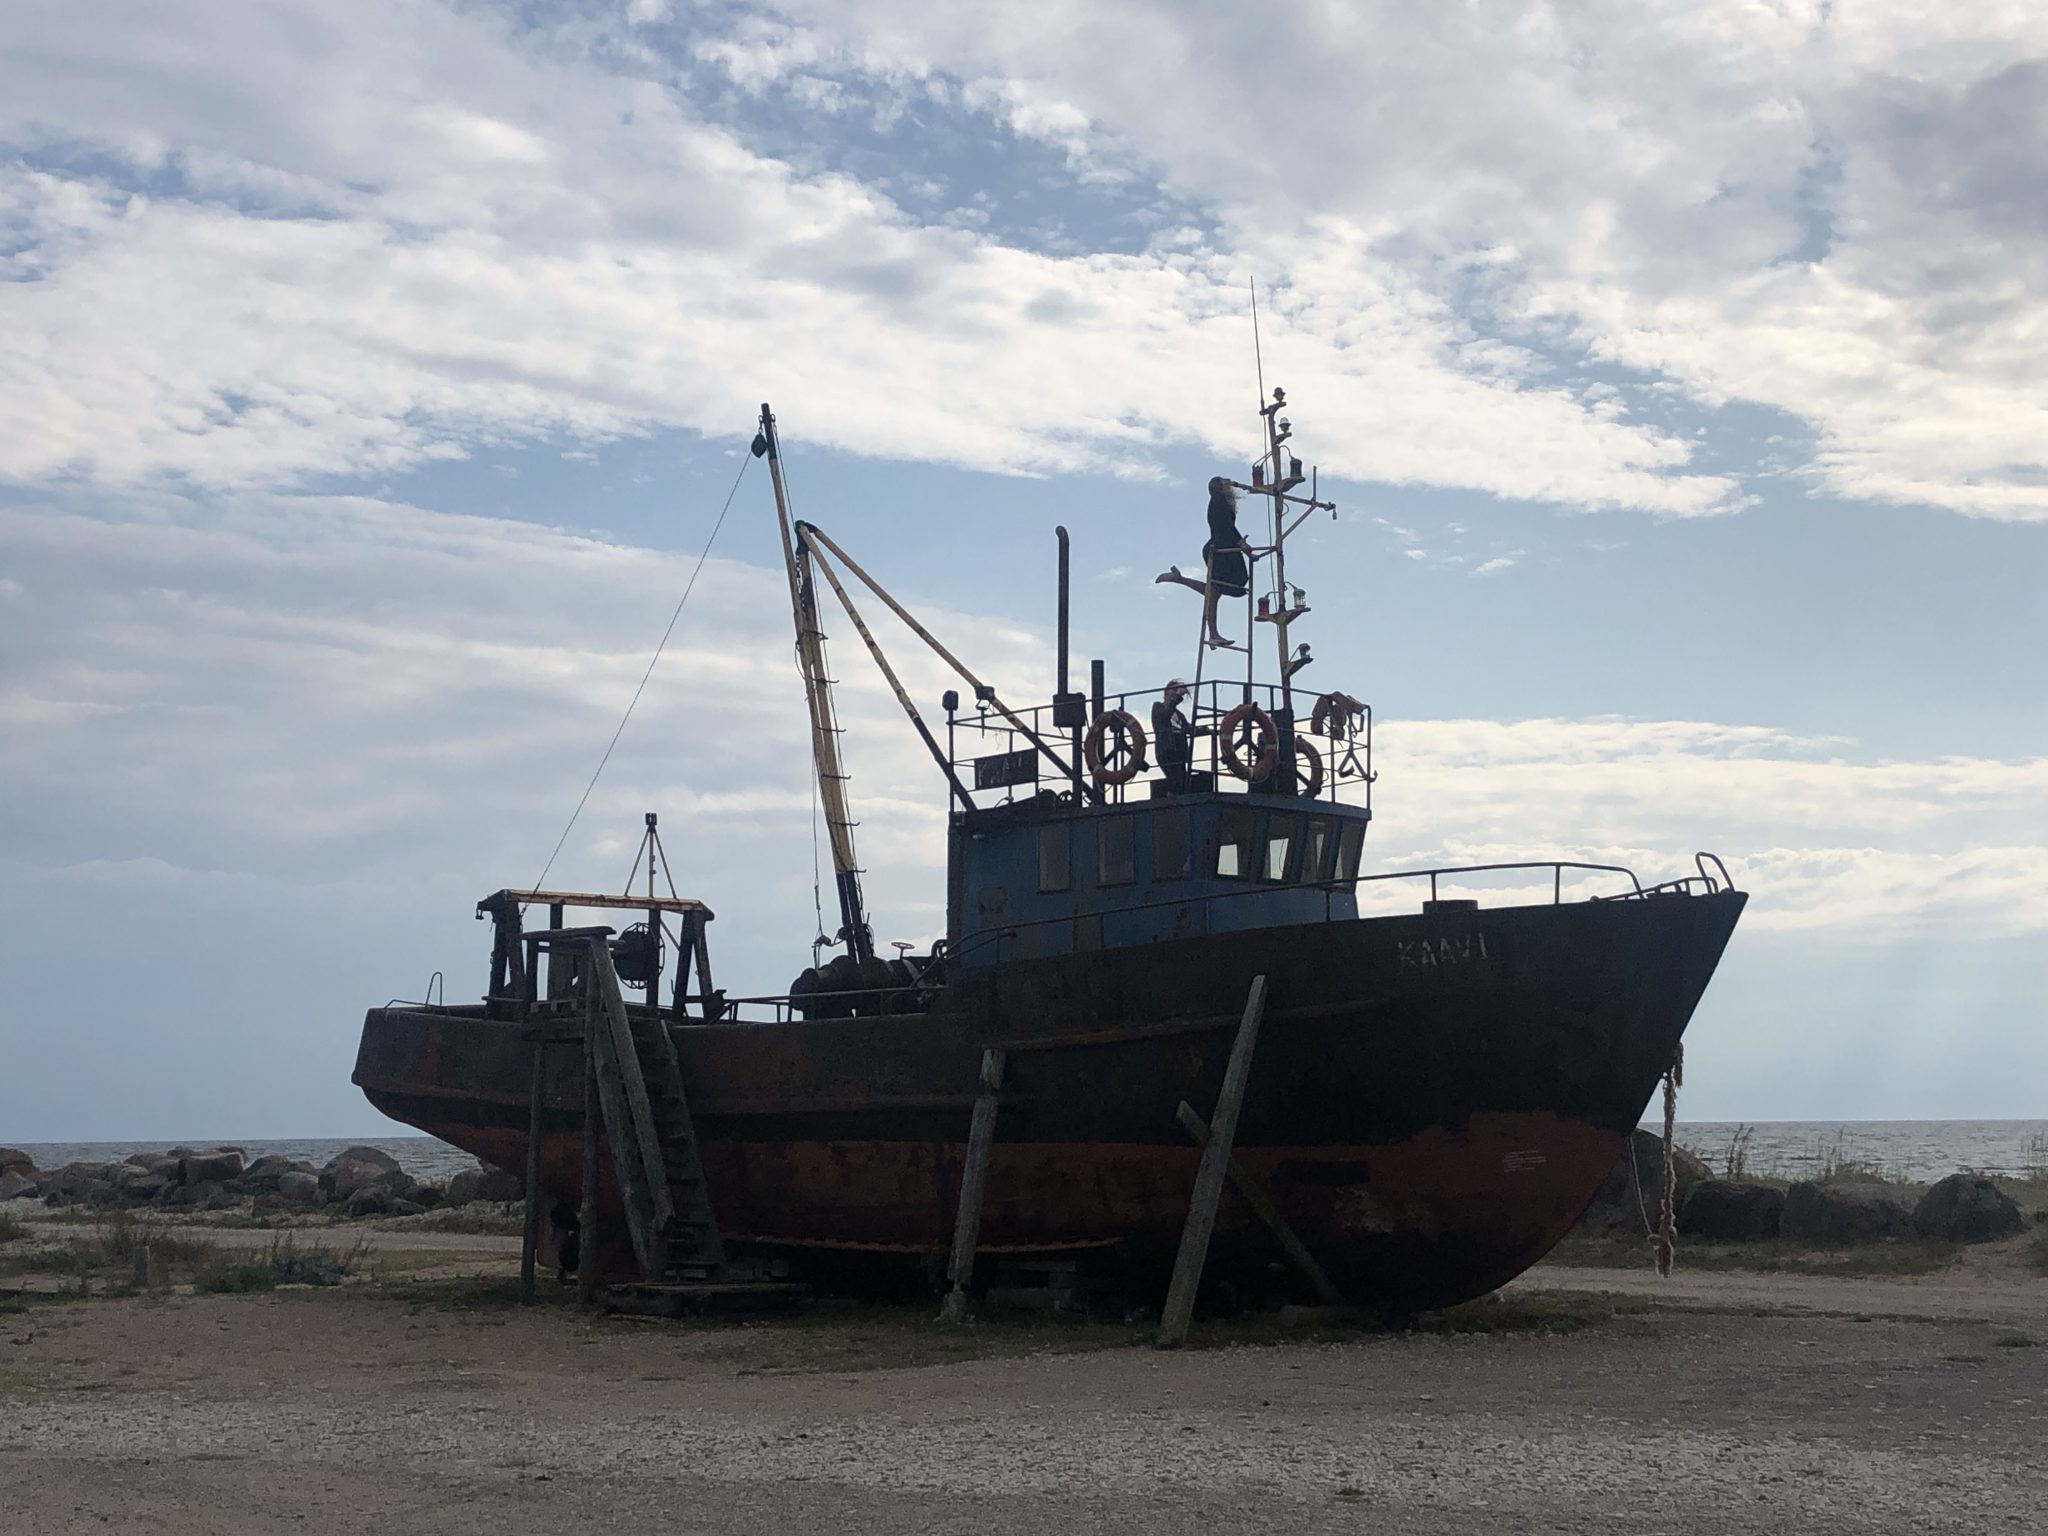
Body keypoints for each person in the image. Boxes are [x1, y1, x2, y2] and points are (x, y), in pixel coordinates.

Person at [1156, 477, 1252, 648]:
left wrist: (1239, 545)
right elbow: (1225, 527)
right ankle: (1213, 633)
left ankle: (1180, 580)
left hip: (1220, 548)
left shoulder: (1219, 501)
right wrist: (1240, 544)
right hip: (1221, 550)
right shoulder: (1219, 500)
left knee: (1216, 590)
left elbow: (1225, 527)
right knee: (1220, 588)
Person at [1151, 677, 1198, 790]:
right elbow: (1164, 716)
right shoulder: (1158, 707)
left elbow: (1188, 729)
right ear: (1166, 691)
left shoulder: (1180, 715)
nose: (1175, 693)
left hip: (1179, 751)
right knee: (1175, 779)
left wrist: (1206, 730)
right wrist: (1177, 697)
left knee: (1182, 780)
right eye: (1173, 689)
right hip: (1167, 750)